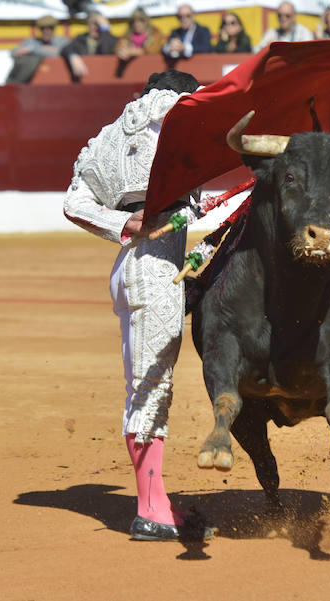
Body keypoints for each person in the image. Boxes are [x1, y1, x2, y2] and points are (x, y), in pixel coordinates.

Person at [63, 69, 216, 542]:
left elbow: (74, 203)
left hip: (129, 264)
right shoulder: (180, 117)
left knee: (144, 384)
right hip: (157, 269)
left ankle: (158, 502)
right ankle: (150, 511)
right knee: (150, 388)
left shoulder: (109, 136)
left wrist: (124, 224)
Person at [6, 15, 69, 84]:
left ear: (54, 28)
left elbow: (58, 54)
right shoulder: (32, 41)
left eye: (50, 28)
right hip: (32, 83)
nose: (46, 31)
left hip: (58, 80)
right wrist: (44, 49)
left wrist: (32, 49)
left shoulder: (62, 41)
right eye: (43, 28)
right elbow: (14, 52)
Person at [61, 11, 118, 80]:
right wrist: (73, 56)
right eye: (91, 24)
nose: (94, 27)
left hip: (105, 78)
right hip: (85, 78)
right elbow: (66, 49)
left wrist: (105, 29)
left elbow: (106, 50)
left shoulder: (110, 39)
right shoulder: (81, 38)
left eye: (97, 24)